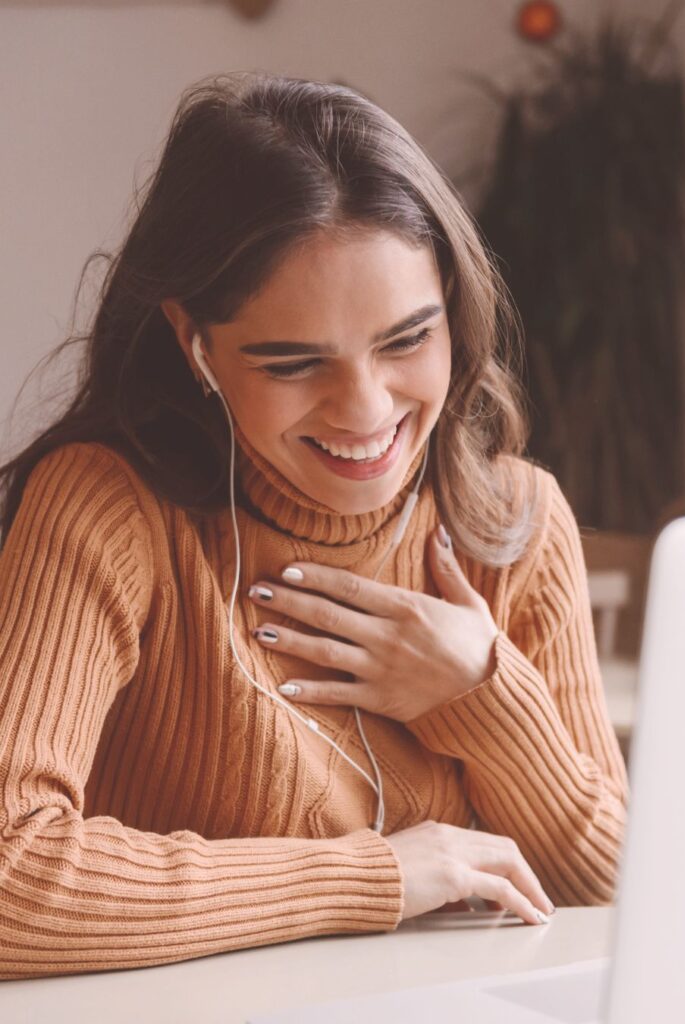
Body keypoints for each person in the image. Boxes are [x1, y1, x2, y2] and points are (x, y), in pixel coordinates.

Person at [0, 72, 628, 980]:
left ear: (454, 307)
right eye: (294, 362)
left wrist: (482, 696)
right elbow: (13, 874)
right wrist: (372, 877)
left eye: (408, 338)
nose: (365, 412)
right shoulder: (106, 509)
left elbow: (616, 889)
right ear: (197, 345)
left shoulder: (515, 521)